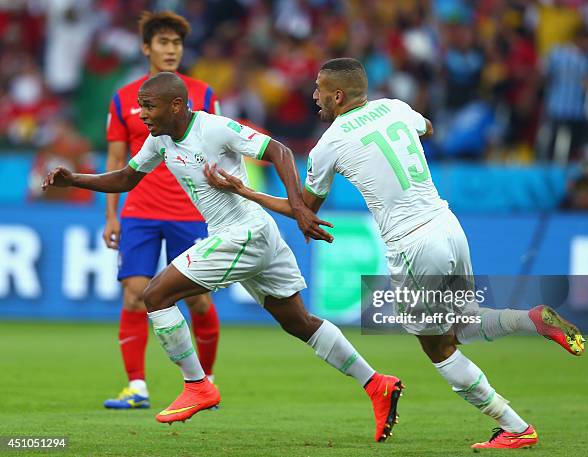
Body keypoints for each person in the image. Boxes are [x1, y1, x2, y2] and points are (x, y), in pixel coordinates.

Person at [204, 58, 586, 450]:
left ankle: (515, 426)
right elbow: (428, 127)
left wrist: (243, 189)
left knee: (439, 347)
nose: (313, 95)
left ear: (337, 95)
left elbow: (304, 209)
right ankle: (531, 320)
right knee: (464, 323)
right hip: (448, 225)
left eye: (319, 88)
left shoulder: (328, 145)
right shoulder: (394, 107)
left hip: (412, 243)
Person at [42, 71, 404, 442]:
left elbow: (278, 151)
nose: (142, 114)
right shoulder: (160, 141)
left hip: (244, 233)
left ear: (177, 105)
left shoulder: (214, 129)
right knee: (299, 322)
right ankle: (376, 383)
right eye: (140, 107)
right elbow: (125, 178)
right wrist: (75, 180)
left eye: (149, 107)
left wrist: (298, 207)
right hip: (250, 235)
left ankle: (197, 385)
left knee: (155, 296)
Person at [102, 11, 220, 410]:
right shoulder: (123, 98)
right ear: (146, 48)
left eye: (177, 44)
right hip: (140, 210)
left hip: (190, 210)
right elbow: (117, 159)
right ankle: (137, 387)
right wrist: (111, 214)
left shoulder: (202, 94)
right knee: (135, 296)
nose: (171, 50)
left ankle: (207, 383)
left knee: (199, 301)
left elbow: (216, 147)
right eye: (164, 43)